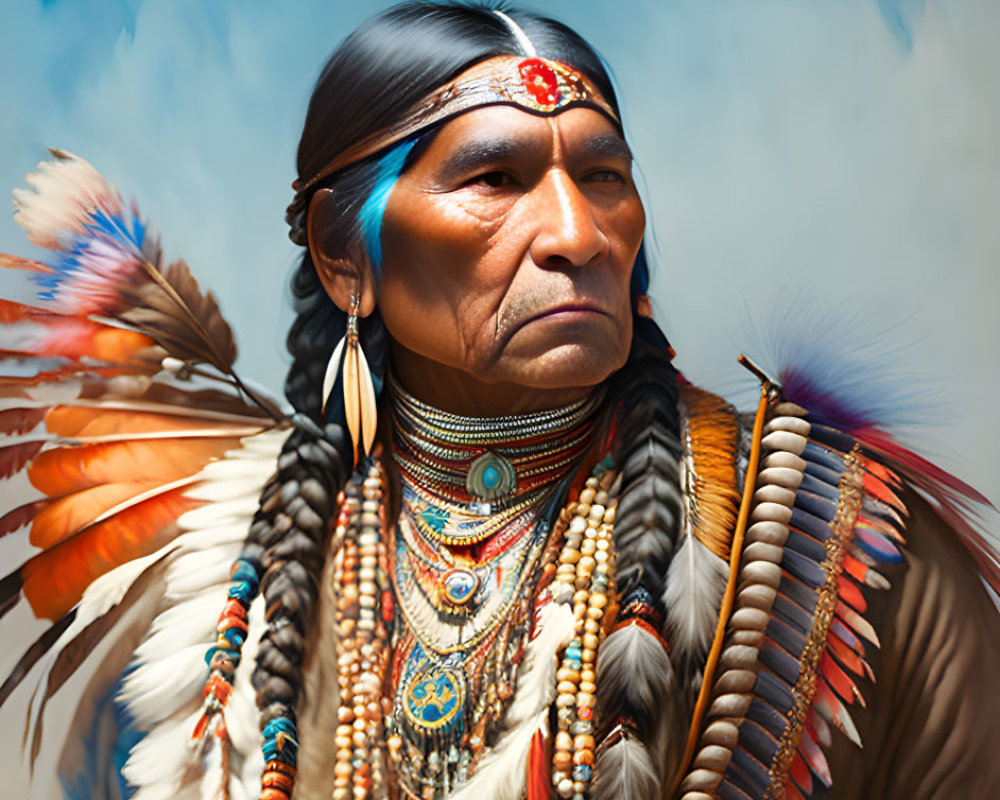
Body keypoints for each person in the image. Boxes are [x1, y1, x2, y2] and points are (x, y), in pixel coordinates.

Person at [0, 3, 997, 800]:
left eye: (603, 176)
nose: (578, 231)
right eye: (496, 177)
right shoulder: (221, 583)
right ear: (348, 259)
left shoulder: (842, 545)